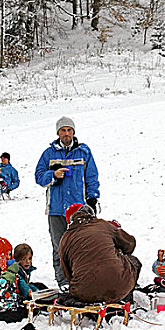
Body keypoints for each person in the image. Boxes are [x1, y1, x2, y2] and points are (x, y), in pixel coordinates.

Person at [34, 116, 100, 291]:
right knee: (59, 247)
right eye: (63, 130)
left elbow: (92, 177)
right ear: (58, 133)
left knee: (81, 246)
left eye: (69, 130)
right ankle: (63, 282)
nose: (66, 134)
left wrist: (92, 199)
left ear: (74, 132)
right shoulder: (49, 154)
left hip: (78, 210)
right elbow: (39, 177)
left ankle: (81, 278)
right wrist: (53, 176)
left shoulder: (84, 152)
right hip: (56, 209)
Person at [58, 203, 141, 304]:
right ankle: (125, 298)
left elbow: (67, 272)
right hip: (120, 286)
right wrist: (116, 232)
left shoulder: (65, 239)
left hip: (84, 292)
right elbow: (129, 245)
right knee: (134, 262)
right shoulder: (103, 225)